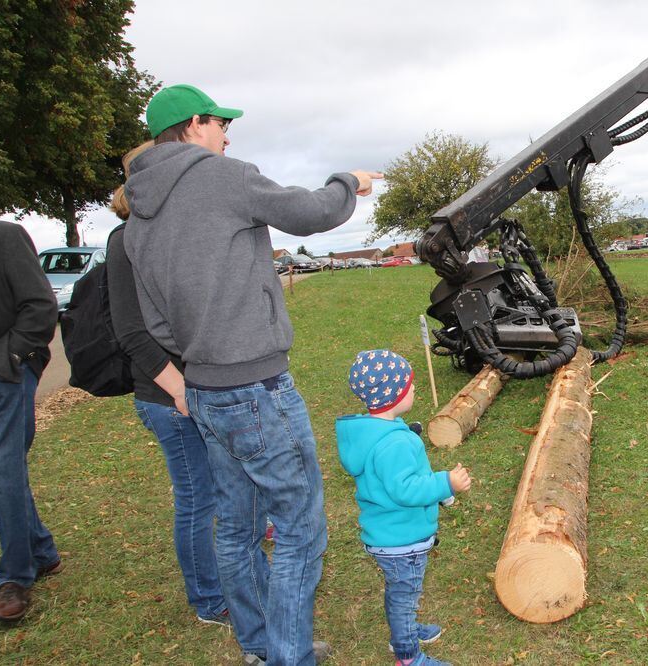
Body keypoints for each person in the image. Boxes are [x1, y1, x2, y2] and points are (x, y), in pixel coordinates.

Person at [122, 83, 382, 665]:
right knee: (298, 532)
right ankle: (290, 657)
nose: (227, 134)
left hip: (203, 391)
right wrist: (350, 182)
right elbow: (311, 213)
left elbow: (157, 325)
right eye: (219, 123)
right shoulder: (224, 176)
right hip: (257, 389)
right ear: (193, 124)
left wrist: (200, 356)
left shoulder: (137, 218)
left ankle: (263, 646)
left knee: (236, 528)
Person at [107, 141, 229, 627]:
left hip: (200, 387)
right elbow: (133, 333)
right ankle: (208, 598)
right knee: (198, 497)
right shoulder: (125, 242)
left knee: (220, 487)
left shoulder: (172, 230)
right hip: (169, 395)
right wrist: (181, 393)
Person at [335, 350, 472, 666]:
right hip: (401, 541)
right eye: (409, 385)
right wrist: (445, 483)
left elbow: (404, 479)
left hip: (387, 534)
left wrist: (437, 491)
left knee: (401, 593)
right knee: (404, 596)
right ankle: (408, 656)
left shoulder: (376, 433)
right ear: (394, 394)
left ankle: (405, 631)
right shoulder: (394, 443)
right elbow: (405, 490)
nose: (414, 389)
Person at [0, 220, 61, 622]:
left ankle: (15, 576)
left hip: (5, 373)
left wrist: (10, 359)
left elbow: (40, 306)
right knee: (4, 470)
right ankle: (42, 551)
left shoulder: (4, 237)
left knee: (3, 471)